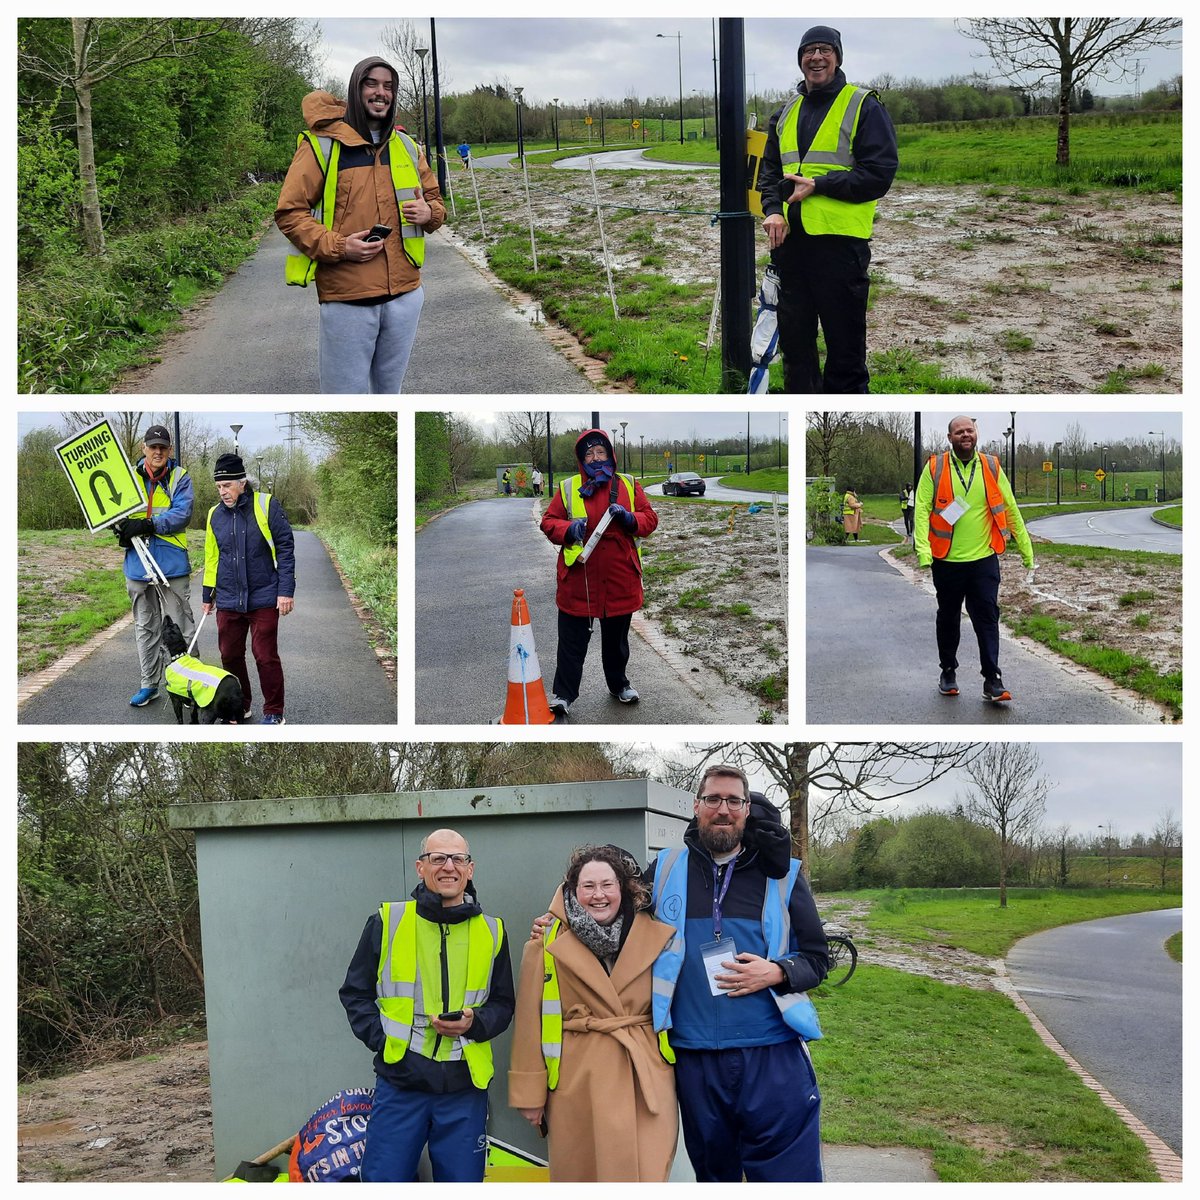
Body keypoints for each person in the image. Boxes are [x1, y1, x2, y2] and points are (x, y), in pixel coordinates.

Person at [644, 766, 828, 1181]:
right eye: (712, 799)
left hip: (771, 1055)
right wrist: (554, 919)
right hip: (694, 1057)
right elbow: (610, 914)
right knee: (713, 1178)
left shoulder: (785, 875)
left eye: (733, 801)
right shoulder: (664, 869)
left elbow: (818, 958)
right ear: (696, 807)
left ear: (747, 809)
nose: (722, 810)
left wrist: (778, 971)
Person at [339, 829, 515, 1183]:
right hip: (401, 1084)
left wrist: (474, 1024)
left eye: (457, 859)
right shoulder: (388, 921)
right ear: (421, 867)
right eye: (438, 858)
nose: (448, 866)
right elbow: (354, 994)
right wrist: (387, 1043)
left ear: (470, 868)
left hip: (465, 1087)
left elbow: (503, 1004)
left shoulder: (493, 931)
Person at [275, 56, 445, 394]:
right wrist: (341, 246)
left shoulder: (408, 147)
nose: (381, 92)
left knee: (390, 397)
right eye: (372, 84)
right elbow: (289, 213)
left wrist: (430, 215)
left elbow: (436, 203)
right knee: (345, 399)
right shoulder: (321, 146)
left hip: (405, 297)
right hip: (347, 301)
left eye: (389, 86)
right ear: (356, 89)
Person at [509, 845, 676, 1181]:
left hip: (646, 1081)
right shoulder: (544, 943)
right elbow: (529, 1022)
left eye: (607, 885)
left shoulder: (658, 935)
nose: (598, 895)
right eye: (588, 886)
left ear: (623, 888)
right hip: (577, 1083)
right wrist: (530, 1094)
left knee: (649, 1174)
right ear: (573, 890)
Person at [758, 26, 898, 393]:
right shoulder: (785, 112)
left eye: (824, 50)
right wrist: (772, 210)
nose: (815, 57)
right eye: (808, 51)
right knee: (796, 355)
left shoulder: (863, 104)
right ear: (800, 59)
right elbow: (769, 172)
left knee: (846, 356)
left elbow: (879, 175)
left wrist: (821, 185)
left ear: (837, 56)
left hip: (840, 249)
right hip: (791, 249)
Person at [914, 415, 1035, 703]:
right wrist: (923, 551)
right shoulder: (936, 467)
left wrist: (1027, 549)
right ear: (950, 437)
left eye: (969, 430)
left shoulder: (991, 466)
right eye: (958, 432)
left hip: (984, 560)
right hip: (947, 561)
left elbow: (1011, 507)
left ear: (976, 433)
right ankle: (948, 671)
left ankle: (992, 679)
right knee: (948, 618)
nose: (965, 435)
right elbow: (921, 509)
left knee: (987, 618)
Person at [540, 429, 658, 717]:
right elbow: (548, 521)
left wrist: (631, 518)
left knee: (616, 643)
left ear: (610, 454)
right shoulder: (568, 487)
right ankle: (563, 695)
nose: (595, 458)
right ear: (582, 459)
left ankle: (619, 685)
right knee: (571, 643)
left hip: (620, 579)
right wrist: (569, 529)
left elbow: (650, 519)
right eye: (589, 454)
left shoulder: (628, 484)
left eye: (600, 452)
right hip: (578, 582)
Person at [201, 454, 296, 725]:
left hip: (264, 595)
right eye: (219, 487)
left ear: (242, 482)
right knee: (229, 655)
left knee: (265, 656)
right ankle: (241, 706)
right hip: (229, 597)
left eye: (227, 485)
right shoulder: (214, 515)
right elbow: (211, 556)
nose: (223, 492)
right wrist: (208, 594)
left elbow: (285, 549)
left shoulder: (266, 505)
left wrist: (286, 590)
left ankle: (274, 712)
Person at [113, 424, 196, 707]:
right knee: (146, 627)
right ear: (143, 449)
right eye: (153, 447)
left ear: (169, 450)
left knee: (182, 626)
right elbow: (114, 513)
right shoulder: (127, 478)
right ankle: (149, 684)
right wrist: (120, 529)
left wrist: (148, 524)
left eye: (163, 447)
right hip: (137, 565)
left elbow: (181, 515)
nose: (157, 451)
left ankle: (188, 684)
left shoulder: (180, 477)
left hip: (171, 564)